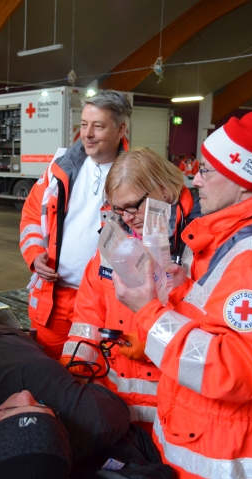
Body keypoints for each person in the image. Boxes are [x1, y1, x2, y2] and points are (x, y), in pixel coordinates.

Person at [114, 111, 252, 479]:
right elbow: (219, 318)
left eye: (206, 171)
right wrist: (183, 288)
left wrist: (149, 312)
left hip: (228, 455)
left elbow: (234, 370)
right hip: (210, 436)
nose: (195, 180)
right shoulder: (234, 238)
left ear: (242, 181)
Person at [0, 258, 172, 479]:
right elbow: (113, 407)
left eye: (7, 410)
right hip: (6, 338)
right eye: (42, 408)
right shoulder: (95, 423)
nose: (26, 394)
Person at [61, 148, 199, 430]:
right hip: (116, 406)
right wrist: (72, 367)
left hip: (176, 415)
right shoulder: (111, 247)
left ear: (163, 191)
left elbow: (209, 337)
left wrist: (153, 341)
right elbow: (87, 320)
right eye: (118, 208)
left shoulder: (198, 249)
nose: (126, 217)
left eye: (133, 206)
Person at [20, 90, 133, 358]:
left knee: (89, 372)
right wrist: (35, 255)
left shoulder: (136, 174)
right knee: (48, 373)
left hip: (104, 301)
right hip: (54, 297)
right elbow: (32, 215)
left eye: (98, 126)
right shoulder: (61, 168)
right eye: (84, 125)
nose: (88, 134)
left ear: (121, 129)